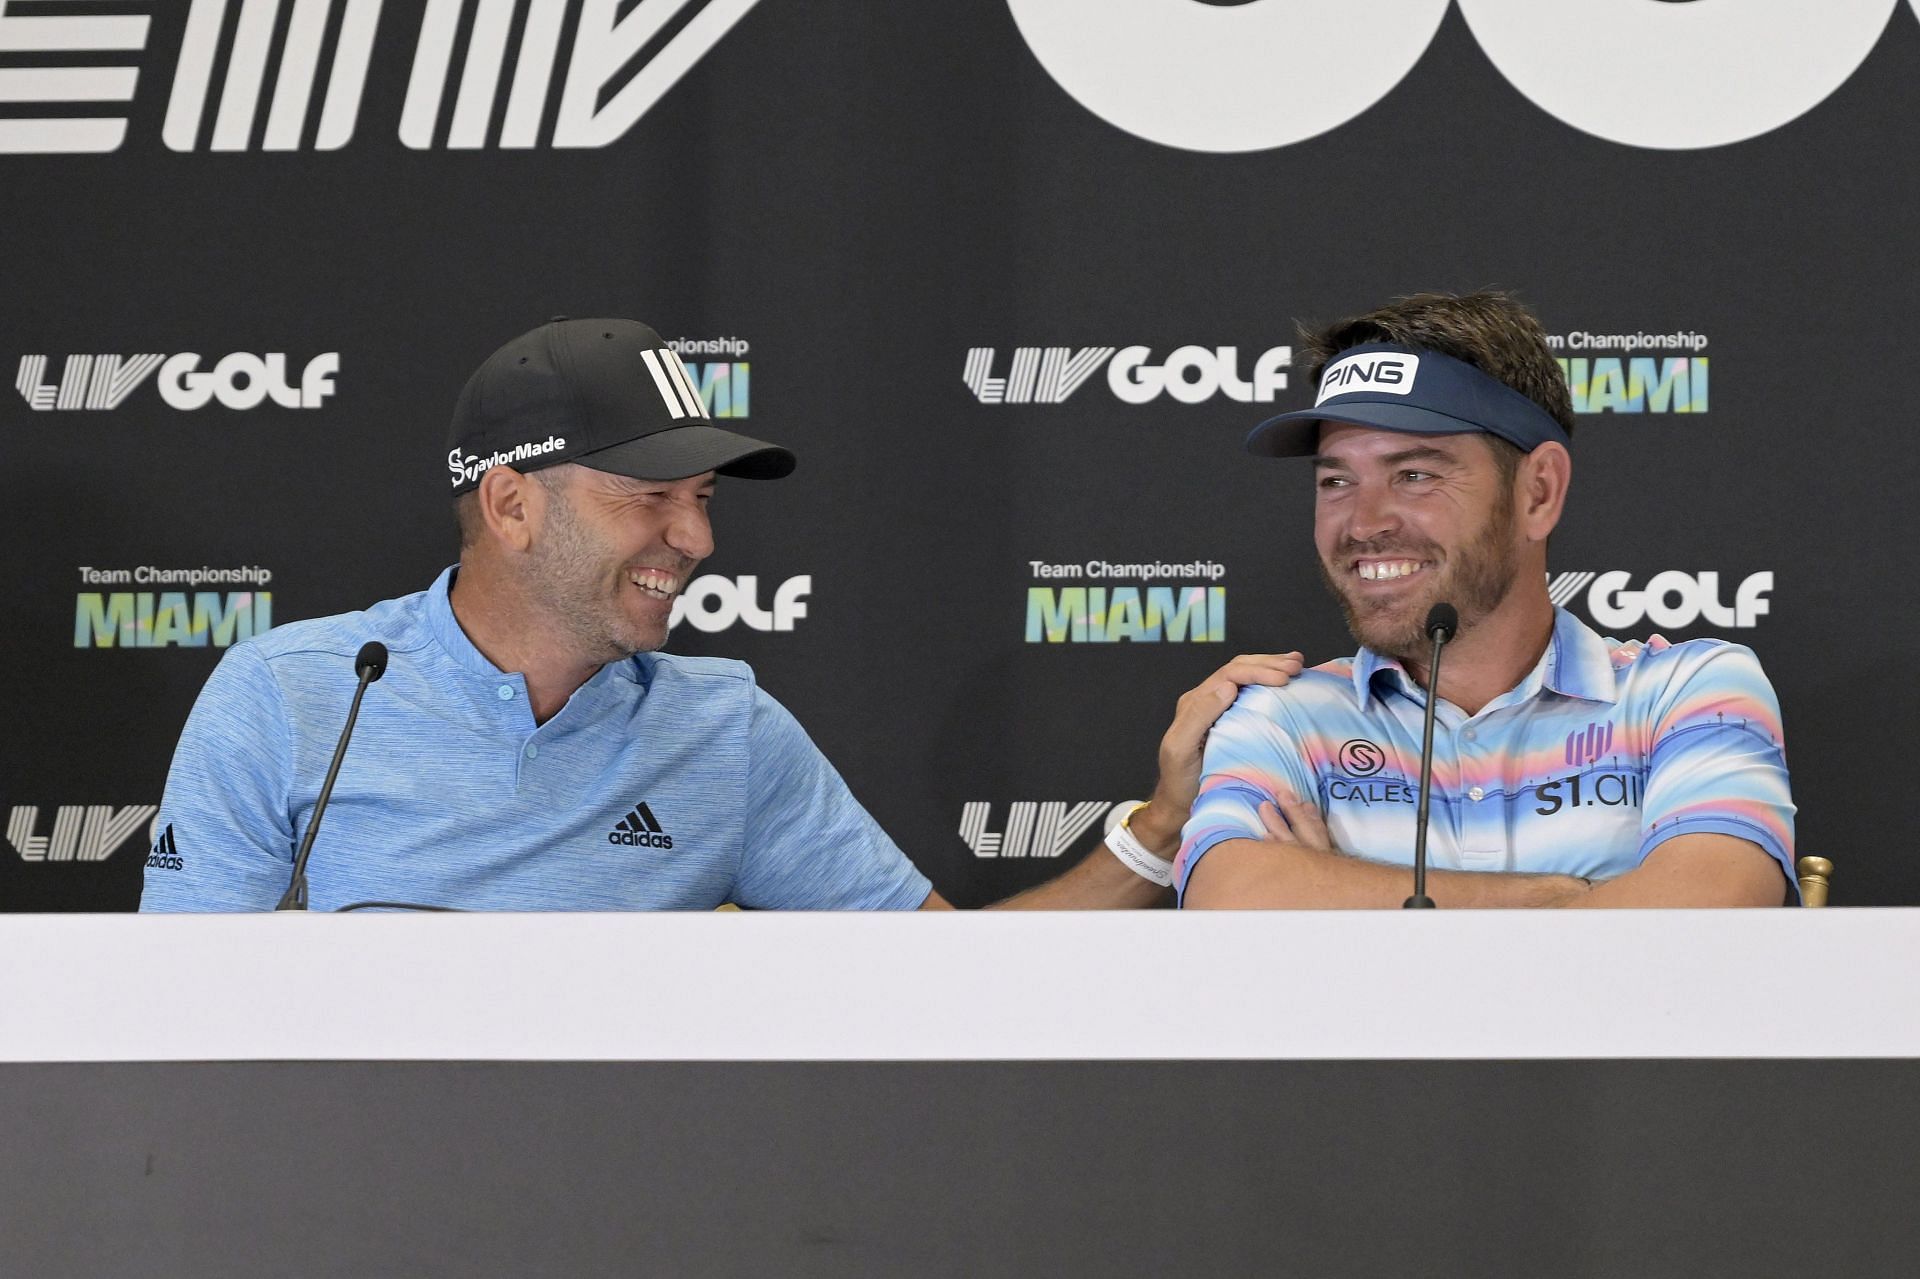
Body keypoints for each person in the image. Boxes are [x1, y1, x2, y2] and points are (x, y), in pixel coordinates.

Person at [141, 317, 1299, 912]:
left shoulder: (725, 729)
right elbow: (173, 1027)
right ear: (510, 505)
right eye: (649, 498)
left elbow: (948, 981)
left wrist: (1161, 822)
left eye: (698, 502)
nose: (693, 540)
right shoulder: (289, 696)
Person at [1178, 291, 1795, 909]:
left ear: (1539, 493)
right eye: (1337, 480)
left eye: (1415, 474)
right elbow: (1228, 898)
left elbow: (1714, 911)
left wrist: (1348, 897)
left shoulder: (1690, 691)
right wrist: (1561, 897)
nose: (1363, 524)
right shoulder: (1279, 715)